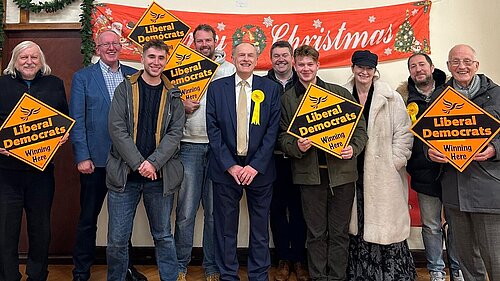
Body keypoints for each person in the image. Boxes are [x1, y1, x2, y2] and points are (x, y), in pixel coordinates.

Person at [278, 45, 368, 281]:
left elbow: (360, 130)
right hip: (310, 177)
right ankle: (318, 277)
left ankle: (337, 277)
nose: (306, 69)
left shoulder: (339, 93)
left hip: (342, 176)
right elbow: (282, 137)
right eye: (302, 65)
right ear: (295, 67)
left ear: (318, 66)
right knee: (316, 233)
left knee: (339, 233)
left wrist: (354, 148)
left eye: (310, 64)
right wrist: (296, 146)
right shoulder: (287, 99)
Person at [69, 29, 147, 281]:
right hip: (96, 161)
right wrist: (82, 156)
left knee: (122, 222)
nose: (111, 47)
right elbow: (77, 121)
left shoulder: (133, 76)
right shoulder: (83, 78)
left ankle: (126, 268)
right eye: (106, 44)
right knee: (88, 219)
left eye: (115, 43)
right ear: (97, 48)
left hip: (127, 162)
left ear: (121, 46)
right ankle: (81, 271)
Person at [105, 39, 185, 281]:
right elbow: (116, 128)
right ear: (142, 58)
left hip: (158, 178)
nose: (156, 62)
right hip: (124, 176)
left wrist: (153, 164)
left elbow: (175, 132)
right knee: (117, 239)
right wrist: (140, 164)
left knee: (163, 236)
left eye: (161, 58)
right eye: (152, 57)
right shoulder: (125, 88)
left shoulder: (173, 93)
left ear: (166, 60)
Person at [206, 41, 281, 281]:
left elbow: (272, 131)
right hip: (226, 169)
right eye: (241, 55)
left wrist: (255, 166)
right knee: (226, 228)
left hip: (260, 169)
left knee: (259, 228)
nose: (246, 59)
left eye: (250, 55)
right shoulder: (217, 88)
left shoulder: (270, 89)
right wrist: (231, 165)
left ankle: (259, 275)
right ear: (233, 57)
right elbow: (213, 129)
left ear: (257, 59)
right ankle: (228, 274)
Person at [427, 44, 500, 281]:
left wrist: (494, 149)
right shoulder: (438, 97)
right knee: (467, 262)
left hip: (488, 189)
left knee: (496, 258)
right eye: (455, 62)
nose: (462, 66)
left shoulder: (498, 94)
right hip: (454, 191)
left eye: (467, 61)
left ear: (476, 65)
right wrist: (430, 152)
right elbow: (428, 136)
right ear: (448, 67)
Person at [343, 50, 415, 281]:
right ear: (353, 68)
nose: (364, 72)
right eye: (360, 67)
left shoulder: (391, 98)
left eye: (369, 68)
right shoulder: (342, 95)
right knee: (358, 222)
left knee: (384, 224)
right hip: (352, 170)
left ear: (375, 71)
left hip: (384, 175)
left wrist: (396, 161)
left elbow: (404, 134)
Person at [0, 41, 68, 281]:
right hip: (7, 173)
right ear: (14, 61)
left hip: (41, 172)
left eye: (34, 58)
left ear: (41, 61)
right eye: (23, 58)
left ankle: (37, 275)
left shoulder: (54, 84)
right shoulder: (2, 85)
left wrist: (62, 135)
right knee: (6, 230)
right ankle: (8, 276)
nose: (29, 62)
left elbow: (63, 118)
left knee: (40, 229)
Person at [174, 24, 235, 281]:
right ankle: (179, 264)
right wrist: (180, 105)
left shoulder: (229, 69)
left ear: (215, 41)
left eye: (208, 40)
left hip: (218, 147)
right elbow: (167, 100)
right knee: (186, 210)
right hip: (189, 144)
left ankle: (211, 266)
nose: (204, 45)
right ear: (193, 43)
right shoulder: (181, 68)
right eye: (199, 41)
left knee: (213, 212)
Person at [396, 53, 464, 281]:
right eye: (413, 66)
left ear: (432, 67)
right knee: (431, 225)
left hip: (453, 170)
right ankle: (435, 270)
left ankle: (457, 269)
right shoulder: (402, 98)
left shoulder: (452, 91)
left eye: (421, 64)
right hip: (423, 170)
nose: (418, 69)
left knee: (456, 224)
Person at [264, 41, 308, 281]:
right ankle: (283, 259)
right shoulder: (262, 83)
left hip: (301, 158)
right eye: (276, 55)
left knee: (300, 210)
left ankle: (300, 259)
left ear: (292, 58)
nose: (281, 59)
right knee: (277, 210)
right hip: (272, 160)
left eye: (285, 55)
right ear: (271, 59)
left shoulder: (303, 82)